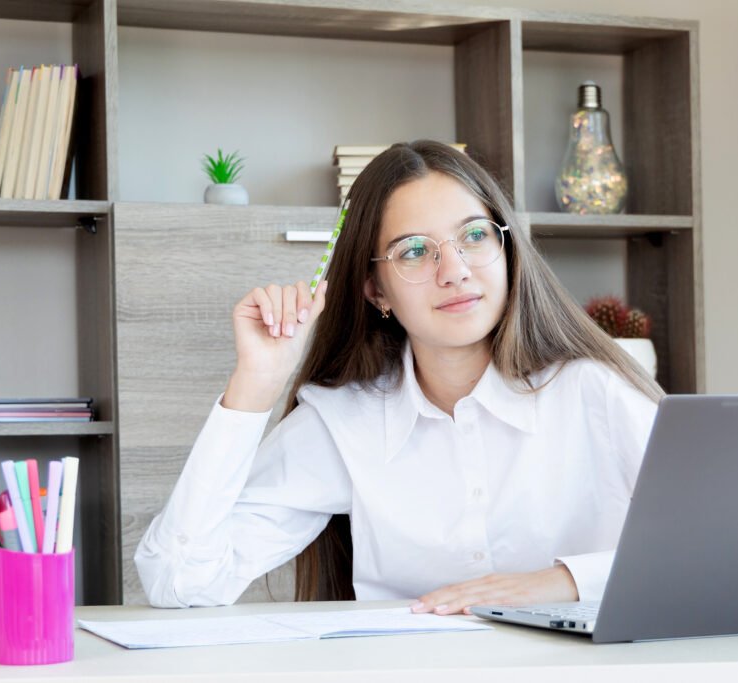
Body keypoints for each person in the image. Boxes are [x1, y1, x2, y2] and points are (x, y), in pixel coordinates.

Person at [135, 140, 663, 614]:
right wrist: (256, 383)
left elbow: (727, 547)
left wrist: (563, 581)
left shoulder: (595, 391)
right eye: (414, 251)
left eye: (474, 236)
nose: (454, 270)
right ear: (376, 292)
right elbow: (179, 582)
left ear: (507, 251)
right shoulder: (345, 421)